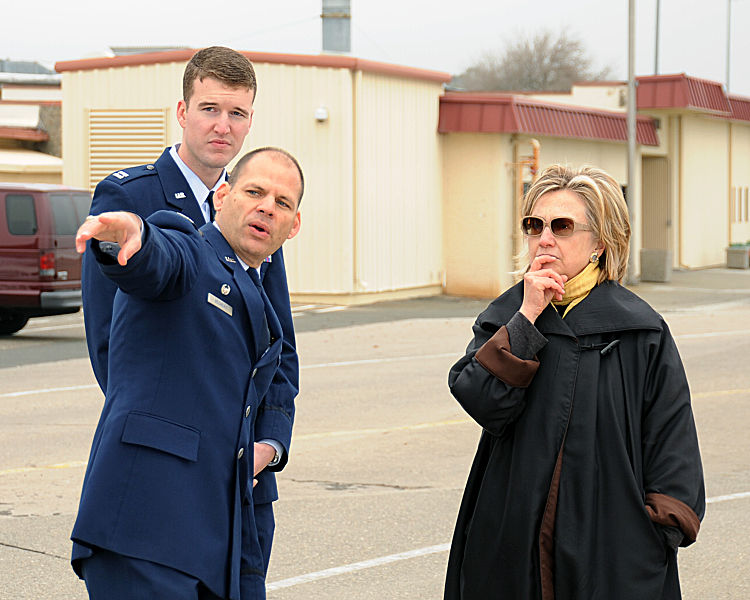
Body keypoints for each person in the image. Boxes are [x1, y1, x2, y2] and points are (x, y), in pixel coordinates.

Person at [79, 46, 297, 576]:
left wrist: (267, 442)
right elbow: (112, 343)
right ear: (182, 112)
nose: (222, 126)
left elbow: (278, 344)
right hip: (165, 469)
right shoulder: (131, 195)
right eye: (209, 109)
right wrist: (170, 436)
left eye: (237, 114)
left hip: (241, 479)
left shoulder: (257, 210)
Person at [444, 164, 705, 600]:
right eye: (535, 225)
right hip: (511, 543)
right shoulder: (507, 317)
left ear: (600, 242)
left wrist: (656, 533)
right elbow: (482, 401)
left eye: (562, 226)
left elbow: (671, 436)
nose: (544, 238)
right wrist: (527, 318)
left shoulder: (639, 330)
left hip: (612, 553)